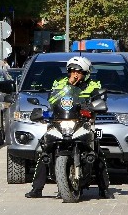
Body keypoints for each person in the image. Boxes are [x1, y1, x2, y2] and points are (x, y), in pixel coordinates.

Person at [25, 56, 103, 198]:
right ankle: (37, 188)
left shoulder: (93, 84)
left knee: (96, 150)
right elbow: (53, 100)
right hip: (61, 120)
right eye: (72, 71)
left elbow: (100, 100)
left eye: (79, 72)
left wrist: (93, 108)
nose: (75, 74)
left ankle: (104, 188)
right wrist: (69, 85)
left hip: (83, 121)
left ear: (86, 73)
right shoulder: (60, 83)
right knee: (45, 149)